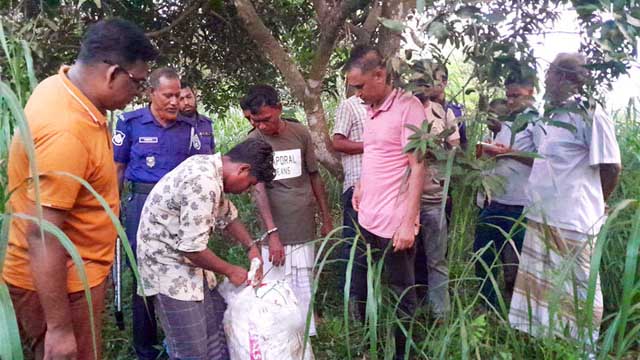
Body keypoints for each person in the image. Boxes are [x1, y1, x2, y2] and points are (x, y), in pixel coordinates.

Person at [3, 18, 157, 360]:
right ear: (111, 73)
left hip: (72, 281)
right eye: (137, 83)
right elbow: (43, 234)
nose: (138, 94)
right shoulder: (66, 130)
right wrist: (58, 329)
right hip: (58, 291)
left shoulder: (62, 89)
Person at [508, 53, 621, 347]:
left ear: (565, 78)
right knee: (544, 293)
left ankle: (585, 350)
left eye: (549, 75)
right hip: (542, 217)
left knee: (582, 290)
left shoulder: (590, 113)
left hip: (574, 222)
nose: (545, 81)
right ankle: (550, 347)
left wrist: (600, 205)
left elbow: (611, 166)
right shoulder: (552, 116)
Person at [136, 138, 274, 360]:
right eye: (250, 184)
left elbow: (226, 214)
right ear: (243, 169)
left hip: (191, 268)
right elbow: (192, 250)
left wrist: (251, 247)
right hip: (168, 273)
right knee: (191, 351)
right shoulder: (203, 180)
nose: (246, 190)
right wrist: (230, 270)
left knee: (215, 340)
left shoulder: (210, 168)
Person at [113, 67, 215, 360]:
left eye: (178, 95)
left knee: (186, 267)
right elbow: (117, 169)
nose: (175, 101)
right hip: (141, 204)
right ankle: (145, 349)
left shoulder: (189, 128)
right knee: (144, 276)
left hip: (181, 209)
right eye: (168, 95)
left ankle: (179, 342)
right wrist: (113, 209)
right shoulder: (131, 123)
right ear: (151, 93)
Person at [345, 45, 427, 359]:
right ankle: (372, 345)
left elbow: (418, 165)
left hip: (395, 223)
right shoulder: (372, 109)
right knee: (369, 288)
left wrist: (408, 222)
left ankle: (402, 353)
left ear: (380, 75)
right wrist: (361, 186)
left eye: (360, 86)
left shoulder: (409, 107)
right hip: (367, 217)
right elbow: (376, 153)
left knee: (401, 294)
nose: (357, 94)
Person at [241, 84, 334, 337]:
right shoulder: (254, 142)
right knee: (276, 285)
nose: (261, 126)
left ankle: (305, 337)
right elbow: (258, 189)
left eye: (267, 119)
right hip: (276, 231)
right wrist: (273, 234)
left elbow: (314, 176)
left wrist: (326, 217)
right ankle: (279, 338)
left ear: (279, 109)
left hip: (303, 223)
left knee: (304, 281)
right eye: (256, 121)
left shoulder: (300, 134)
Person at [474, 71, 543, 312]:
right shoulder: (509, 123)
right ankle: (486, 308)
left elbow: (542, 159)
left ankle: (521, 313)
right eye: (508, 96)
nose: (511, 101)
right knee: (483, 253)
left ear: (531, 92)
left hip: (520, 203)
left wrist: (507, 152)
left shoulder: (536, 121)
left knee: (519, 263)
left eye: (516, 96)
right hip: (495, 200)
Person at [413, 89, 461, 321]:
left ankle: (440, 314)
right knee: (406, 259)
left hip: (434, 199)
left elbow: (455, 152)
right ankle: (409, 310)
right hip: (404, 201)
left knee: (436, 260)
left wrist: (433, 146)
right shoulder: (399, 112)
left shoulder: (443, 114)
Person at [331, 88, 368, 320]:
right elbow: (338, 143)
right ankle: (353, 304)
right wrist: (372, 145)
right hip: (356, 187)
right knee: (355, 246)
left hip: (384, 190)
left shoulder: (389, 108)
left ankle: (372, 301)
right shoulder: (350, 106)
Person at [179, 81, 216, 151]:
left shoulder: (206, 123)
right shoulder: (171, 126)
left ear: (195, 96)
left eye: (189, 97)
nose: (186, 102)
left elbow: (212, 152)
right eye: (181, 99)